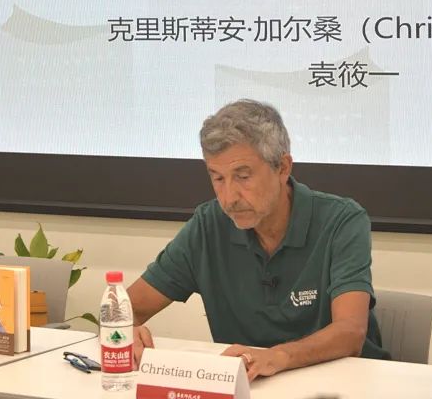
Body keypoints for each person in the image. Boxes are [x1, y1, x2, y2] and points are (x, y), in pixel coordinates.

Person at [128, 99, 387, 380]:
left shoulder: (342, 220)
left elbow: (350, 332)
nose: (229, 198)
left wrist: (278, 357)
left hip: (345, 384)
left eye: (243, 176)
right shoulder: (208, 225)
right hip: (251, 386)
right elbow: (126, 307)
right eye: (218, 178)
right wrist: (125, 328)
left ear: (283, 168)